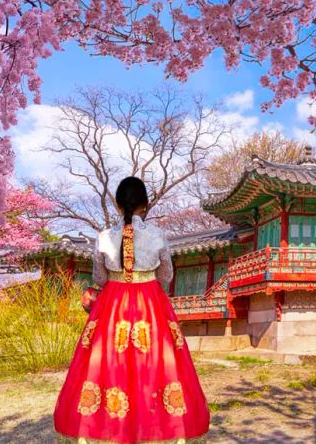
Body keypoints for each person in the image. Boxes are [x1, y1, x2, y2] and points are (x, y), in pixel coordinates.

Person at [54, 177, 210, 444]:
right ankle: (160, 425)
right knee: (157, 361)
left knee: (105, 361)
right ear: (145, 204)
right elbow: (166, 275)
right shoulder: (157, 235)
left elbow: (100, 278)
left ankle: (102, 426)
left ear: (117, 204)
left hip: (113, 303)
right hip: (150, 302)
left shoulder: (104, 237)